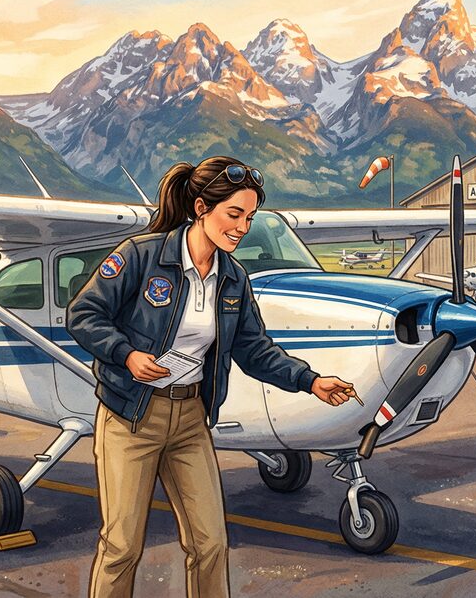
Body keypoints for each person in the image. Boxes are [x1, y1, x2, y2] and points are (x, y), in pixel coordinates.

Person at [66, 156, 357, 598]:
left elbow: (254, 349)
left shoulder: (233, 279)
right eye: (234, 214)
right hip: (130, 418)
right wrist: (127, 356)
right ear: (201, 208)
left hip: (189, 419)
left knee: (211, 544)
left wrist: (311, 381)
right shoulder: (140, 255)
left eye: (250, 218)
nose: (242, 228)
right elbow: (84, 314)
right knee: (122, 547)